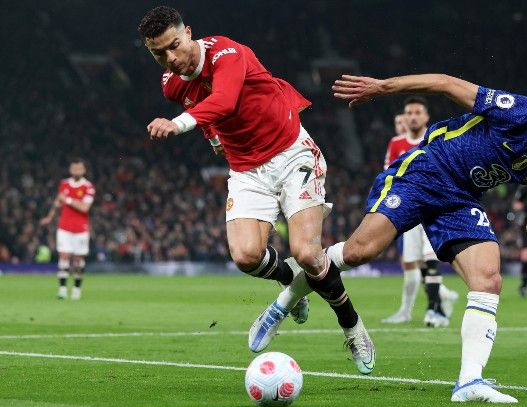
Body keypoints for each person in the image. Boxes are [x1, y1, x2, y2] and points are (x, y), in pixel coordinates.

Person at [330, 73, 527, 403]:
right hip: (429, 170)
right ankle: (293, 287)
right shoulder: (519, 112)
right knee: (359, 253)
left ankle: (470, 381)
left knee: (489, 280)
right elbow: (445, 84)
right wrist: (383, 87)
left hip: (461, 199)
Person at [137, 6, 374, 374]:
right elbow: (204, 110)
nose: (170, 58)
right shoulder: (171, 82)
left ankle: (352, 326)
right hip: (246, 169)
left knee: (308, 253)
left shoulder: (229, 53)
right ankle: (291, 285)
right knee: (246, 255)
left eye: (174, 46)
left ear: (189, 33)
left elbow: (224, 100)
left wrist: (179, 124)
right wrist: (213, 138)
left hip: (291, 153)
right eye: (158, 53)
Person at [381, 97, 458, 326]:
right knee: (417, 262)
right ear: (405, 117)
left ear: (426, 116)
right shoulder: (396, 144)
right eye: (409, 112)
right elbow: (389, 175)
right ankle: (438, 304)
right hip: (409, 211)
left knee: (430, 259)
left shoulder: (435, 139)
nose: (413, 116)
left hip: (433, 208)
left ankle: (435, 311)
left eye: (417, 112)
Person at [40, 158, 95, 300]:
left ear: (84, 170)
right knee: (63, 256)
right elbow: (58, 201)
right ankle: (63, 289)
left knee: (78, 260)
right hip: (64, 227)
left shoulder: (88, 187)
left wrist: (68, 200)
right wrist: (50, 216)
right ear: (70, 170)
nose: (76, 171)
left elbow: (85, 208)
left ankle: (76, 289)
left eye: (79, 169)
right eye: (74, 168)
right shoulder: (64, 184)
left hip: (81, 229)